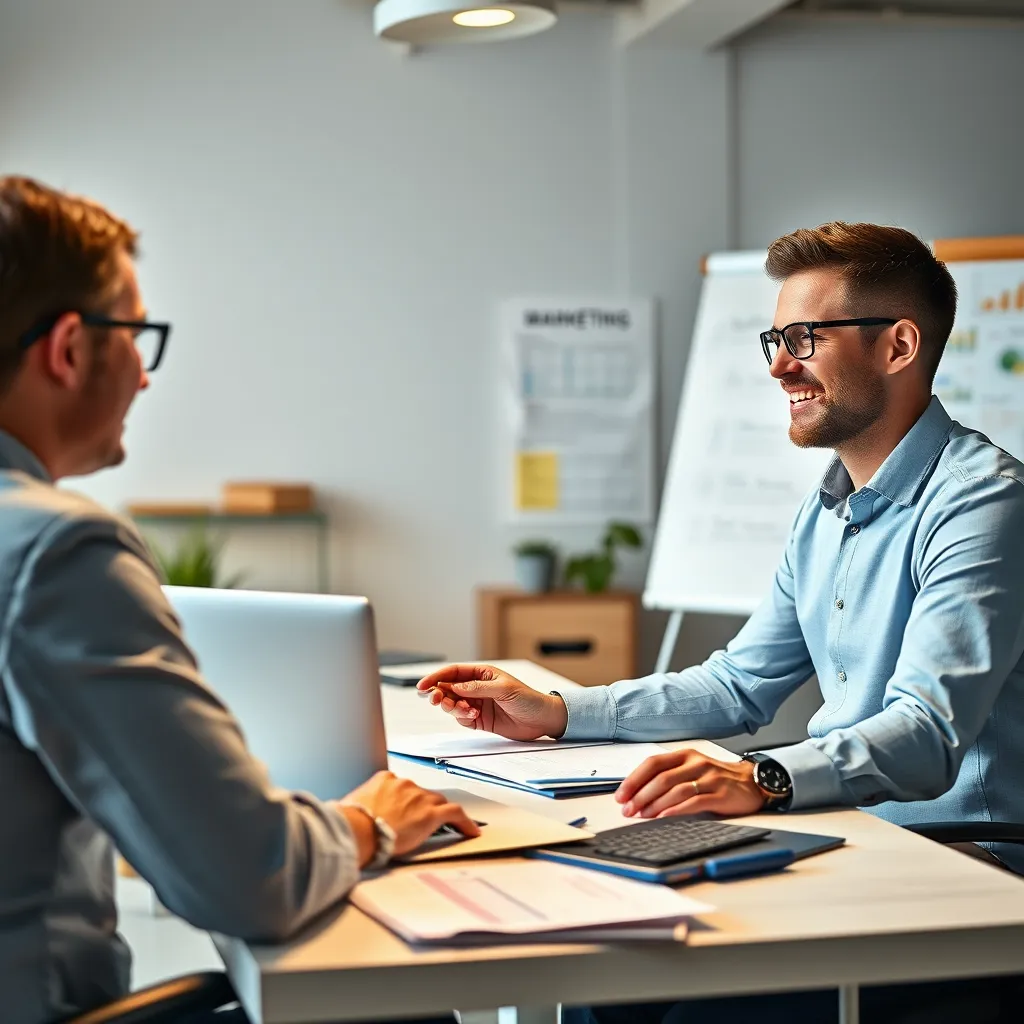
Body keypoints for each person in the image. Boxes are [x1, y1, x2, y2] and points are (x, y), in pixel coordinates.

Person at [420, 222, 1024, 1023]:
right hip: (847, 834)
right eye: (776, 339)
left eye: (805, 338)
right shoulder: (826, 511)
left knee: (692, 1013)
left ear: (898, 346)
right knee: (607, 986)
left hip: (965, 866)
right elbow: (739, 684)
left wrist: (764, 778)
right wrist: (558, 712)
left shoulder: (983, 504)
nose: (779, 366)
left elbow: (927, 731)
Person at [0, 175, 478, 1024]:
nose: (145, 378)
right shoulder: (54, 552)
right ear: (68, 349)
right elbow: (249, 879)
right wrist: (367, 823)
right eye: (136, 335)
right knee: (398, 1010)